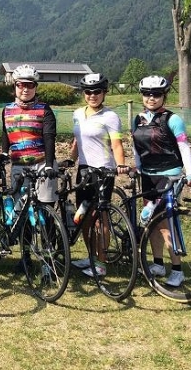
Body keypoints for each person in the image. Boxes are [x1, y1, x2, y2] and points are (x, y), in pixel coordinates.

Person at [131, 75, 191, 287]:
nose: (151, 98)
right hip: (148, 175)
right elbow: (136, 147)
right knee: (153, 221)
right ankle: (158, 263)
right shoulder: (138, 119)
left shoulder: (173, 119)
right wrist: (137, 168)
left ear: (164, 95)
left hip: (170, 174)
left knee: (166, 221)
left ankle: (177, 270)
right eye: (147, 94)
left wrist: (190, 174)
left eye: (156, 94)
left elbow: (184, 147)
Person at [68, 73, 129, 277]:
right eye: (88, 92)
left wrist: (120, 165)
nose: (92, 95)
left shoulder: (110, 116)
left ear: (104, 93)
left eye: (97, 92)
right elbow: (77, 141)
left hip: (103, 171)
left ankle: (101, 263)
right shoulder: (77, 113)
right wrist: (70, 160)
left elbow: (116, 144)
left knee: (100, 218)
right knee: (83, 216)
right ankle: (90, 256)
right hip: (84, 170)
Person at [0, 64, 58, 272]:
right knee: (22, 215)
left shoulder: (44, 109)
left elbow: (49, 137)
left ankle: (49, 261)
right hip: (18, 167)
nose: (26, 89)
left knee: (46, 213)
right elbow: (6, 135)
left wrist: (50, 165)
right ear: (15, 86)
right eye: (21, 85)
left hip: (42, 164)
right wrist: (4, 154)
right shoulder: (7, 110)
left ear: (35, 87)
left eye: (30, 85)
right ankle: (25, 257)